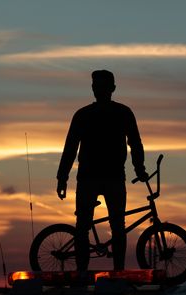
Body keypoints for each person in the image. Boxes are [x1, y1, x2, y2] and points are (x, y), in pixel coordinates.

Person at [56, 70, 148, 271]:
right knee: (98, 227)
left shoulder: (90, 114)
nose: (99, 90)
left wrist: (139, 168)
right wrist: (62, 177)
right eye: (97, 86)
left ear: (112, 88)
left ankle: (114, 272)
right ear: (93, 89)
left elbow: (135, 143)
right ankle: (105, 272)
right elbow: (70, 148)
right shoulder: (117, 113)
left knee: (106, 227)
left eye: (102, 86)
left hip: (106, 177)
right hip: (98, 177)